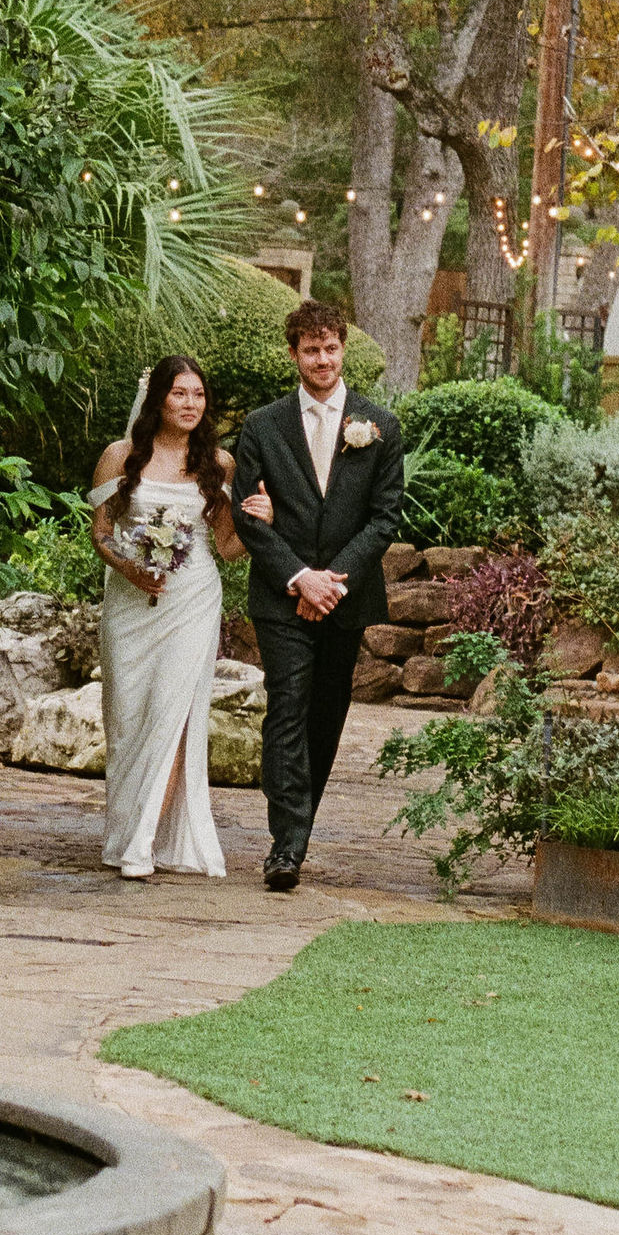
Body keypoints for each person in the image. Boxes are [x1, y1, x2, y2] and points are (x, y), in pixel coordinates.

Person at [233, 297, 404, 892]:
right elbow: (248, 516)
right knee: (287, 707)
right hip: (281, 596)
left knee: (326, 714)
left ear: (343, 350)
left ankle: (297, 830)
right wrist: (299, 577)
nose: (323, 358)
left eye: (331, 348)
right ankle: (287, 844)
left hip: (346, 596)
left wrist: (330, 582)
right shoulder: (261, 426)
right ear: (294, 355)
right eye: (312, 349)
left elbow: (384, 520)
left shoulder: (379, 425)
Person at [88, 354, 248, 880]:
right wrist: (130, 567)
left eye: (198, 395)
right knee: (128, 715)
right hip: (130, 604)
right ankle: (125, 829)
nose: (190, 404)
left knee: (175, 711)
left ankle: (144, 841)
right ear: (158, 399)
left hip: (193, 598)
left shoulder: (219, 464)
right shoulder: (121, 455)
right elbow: (101, 533)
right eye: (180, 394)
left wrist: (257, 522)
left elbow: (225, 546)